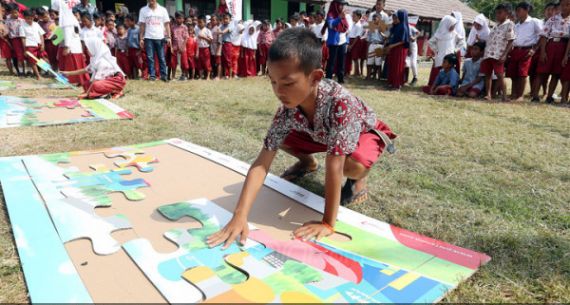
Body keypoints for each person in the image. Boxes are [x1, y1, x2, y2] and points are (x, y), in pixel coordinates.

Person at [206, 28, 396, 249]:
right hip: (323, 133)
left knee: (351, 164)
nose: (278, 91)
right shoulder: (287, 109)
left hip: (363, 133)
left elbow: (334, 166)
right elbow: (262, 162)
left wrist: (327, 223)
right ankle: (308, 163)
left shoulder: (341, 104)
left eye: (287, 83)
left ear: (315, 77)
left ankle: (359, 179)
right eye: (273, 82)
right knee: (280, 139)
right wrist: (240, 214)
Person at [61, 37, 125, 99]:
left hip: (116, 81)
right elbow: (85, 70)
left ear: (94, 48)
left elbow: (96, 79)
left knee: (95, 85)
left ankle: (116, 91)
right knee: (86, 84)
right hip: (106, 81)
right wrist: (68, 73)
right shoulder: (95, 59)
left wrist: (87, 94)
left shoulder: (102, 61)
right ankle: (105, 92)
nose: (87, 51)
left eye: (88, 49)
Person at [532, 0, 570, 103]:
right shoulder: (553, 19)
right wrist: (543, 51)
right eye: (562, 5)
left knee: (556, 73)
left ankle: (549, 96)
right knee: (542, 72)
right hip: (551, 45)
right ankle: (535, 96)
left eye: (568, 4)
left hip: (564, 46)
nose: (565, 7)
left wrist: (566, 55)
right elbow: (544, 35)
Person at [507, 2, 542, 102]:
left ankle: (520, 95)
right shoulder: (516, 25)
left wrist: (534, 49)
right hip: (516, 50)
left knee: (522, 73)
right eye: (516, 11)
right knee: (513, 73)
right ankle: (513, 94)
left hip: (527, 50)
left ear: (526, 10)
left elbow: (542, 35)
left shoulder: (534, 21)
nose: (517, 13)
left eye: (519, 10)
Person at [480, 3, 515, 101]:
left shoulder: (509, 24)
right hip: (488, 53)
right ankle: (488, 94)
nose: (497, 15)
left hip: (498, 54)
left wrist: (504, 55)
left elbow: (511, 40)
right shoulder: (496, 25)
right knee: (487, 74)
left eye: (500, 13)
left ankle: (504, 95)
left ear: (507, 13)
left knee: (500, 75)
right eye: (497, 13)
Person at [51, 0, 90, 88]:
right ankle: (80, 80)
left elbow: (68, 33)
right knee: (78, 65)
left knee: (72, 65)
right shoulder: (71, 17)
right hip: (76, 46)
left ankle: (75, 81)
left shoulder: (66, 18)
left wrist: (67, 46)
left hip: (71, 47)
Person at [138, 0, 171, 82]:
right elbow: (142, 25)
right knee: (150, 58)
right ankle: (152, 76)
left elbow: (167, 24)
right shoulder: (143, 10)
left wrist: (169, 37)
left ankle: (164, 76)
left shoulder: (163, 10)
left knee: (162, 58)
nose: (151, 0)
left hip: (160, 37)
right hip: (148, 37)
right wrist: (141, 38)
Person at [530, 2, 556, 99]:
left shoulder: (556, 22)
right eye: (548, 9)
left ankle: (546, 91)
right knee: (534, 72)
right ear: (544, 11)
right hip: (537, 49)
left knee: (546, 72)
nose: (550, 12)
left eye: (552, 10)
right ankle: (533, 92)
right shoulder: (538, 22)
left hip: (548, 48)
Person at [427, 15, 464, 86]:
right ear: (447, 24)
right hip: (441, 55)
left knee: (450, 70)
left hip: (450, 56)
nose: (453, 27)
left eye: (454, 25)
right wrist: (436, 49)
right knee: (440, 70)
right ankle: (437, 85)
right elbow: (430, 42)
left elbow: (461, 41)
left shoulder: (454, 33)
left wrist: (455, 49)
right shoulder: (439, 34)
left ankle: (448, 85)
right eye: (452, 25)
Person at [323, 0, 349, 84]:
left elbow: (347, 27)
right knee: (331, 62)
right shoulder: (330, 14)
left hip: (342, 41)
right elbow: (330, 25)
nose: (342, 7)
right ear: (335, 5)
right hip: (333, 41)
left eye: (342, 5)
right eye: (340, 5)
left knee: (341, 61)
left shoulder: (344, 15)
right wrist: (339, 18)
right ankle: (329, 78)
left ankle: (340, 78)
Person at [385, 9, 409, 90]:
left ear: (401, 18)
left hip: (399, 49)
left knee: (398, 66)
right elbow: (390, 35)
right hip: (393, 48)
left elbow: (402, 41)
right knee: (392, 65)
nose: (394, 20)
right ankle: (392, 82)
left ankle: (397, 84)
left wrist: (392, 46)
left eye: (396, 18)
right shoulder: (395, 26)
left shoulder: (403, 27)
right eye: (394, 18)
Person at [21, 9, 45, 80]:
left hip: (39, 45)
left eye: (31, 18)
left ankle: (45, 71)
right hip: (30, 46)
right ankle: (38, 76)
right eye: (28, 18)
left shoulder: (36, 24)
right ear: (24, 17)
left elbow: (41, 35)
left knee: (43, 59)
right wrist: (25, 50)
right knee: (33, 61)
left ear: (34, 17)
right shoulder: (22, 26)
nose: (30, 20)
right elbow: (23, 38)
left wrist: (43, 44)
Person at [6, 3, 25, 76]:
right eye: (12, 13)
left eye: (16, 12)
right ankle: (21, 72)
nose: (15, 14)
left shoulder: (22, 20)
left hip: (23, 39)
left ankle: (25, 71)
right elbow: (7, 32)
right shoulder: (8, 21)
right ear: (9, 13)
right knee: (19, 56)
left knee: (23, 56)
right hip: (15, 40)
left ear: (19, 11)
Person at [125, 14, 145, 79]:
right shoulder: (129, 30)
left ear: (133, 21)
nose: (127, 23)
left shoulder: (139, 29)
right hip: (130, 49)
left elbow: (141, 40)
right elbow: (127, 40)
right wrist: (127, 50)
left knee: (139, 63)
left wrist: (140, 50)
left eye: (128, 21)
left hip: (137, 50)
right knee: (132, 64)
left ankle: (143, 76)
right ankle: (135, 76)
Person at [171, 11, 189, 80]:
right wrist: (172, 47)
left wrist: (183, 47)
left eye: (182, 18)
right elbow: (172, 37)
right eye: (178, 18)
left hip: (182, 48)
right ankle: (173, 76)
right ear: (175, 18)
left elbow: (186, 38)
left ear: (183, 19)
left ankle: (183, 75)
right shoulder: (173, 27)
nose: (180, 20)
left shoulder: (185, 27)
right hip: (175, 48)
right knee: (173, 63)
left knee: (183, 63)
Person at [195, 14, 212, 79]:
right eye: (198, 22)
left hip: (206, 48)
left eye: (201, 22)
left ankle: (208, 76)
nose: (199, 24)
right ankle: (200, 76)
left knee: (207, 62)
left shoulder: (208, 31)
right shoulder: (196, 30)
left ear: (205, 22)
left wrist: (204, 37)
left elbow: (210, 41)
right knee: (200, 63)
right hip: (198, 48)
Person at [347, 10, 364, 77]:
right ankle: (353, 71)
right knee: (352, 57)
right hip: (351, 40)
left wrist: (352, 45)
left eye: (354, 16)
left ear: (359, 17)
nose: (353, 17)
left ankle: (357, 72)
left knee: (355, 58)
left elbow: (357, 36)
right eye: (352, 16)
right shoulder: (353, 24)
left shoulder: (359, 25)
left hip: (355, 41)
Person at [219, 13, 235, 78]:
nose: (225, 20)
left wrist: (219, 31)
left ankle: (230, 76)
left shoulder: (231, 25)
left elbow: (223, 32)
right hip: (222, 44)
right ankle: (226, 75)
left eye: (227, 18)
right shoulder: (221, 26)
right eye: (224, 18)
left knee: (229, 60)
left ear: (230, 19)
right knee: (223, 60)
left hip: (228, 44)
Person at [210, 15, 222, 80]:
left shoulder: (218, 29)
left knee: (218, 63)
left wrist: (218, 50)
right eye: (211, 20)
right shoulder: (210, 29)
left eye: (214, 20)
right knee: (213, 62)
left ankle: (218, 76)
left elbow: (220, 41)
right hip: (212, 48)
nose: (212, 21)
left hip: (217, 48)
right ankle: (214, 75)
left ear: (217, 21)